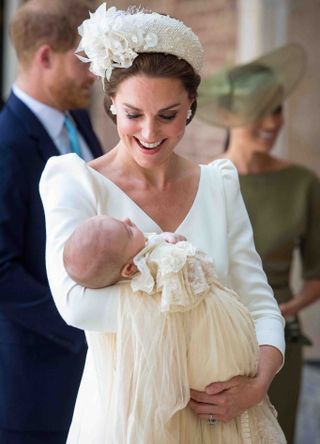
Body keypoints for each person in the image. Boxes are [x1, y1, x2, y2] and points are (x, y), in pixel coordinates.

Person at [40, 3, 286, 443]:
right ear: (111, 102)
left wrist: (257, 385)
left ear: (191, 105)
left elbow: (261, 304)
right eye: (133, 114)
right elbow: (73, 303)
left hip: (224, 421)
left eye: (168, 115)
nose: (150, 133)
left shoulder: (219, 184)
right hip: (124, 422)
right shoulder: (75, 182)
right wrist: (198, 302)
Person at [62, 214, 286, 442]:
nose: (129, 219)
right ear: (129, 269)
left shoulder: (136, 251)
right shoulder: (147, 273)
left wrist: (167, 239)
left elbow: (261, 305)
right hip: (189, 392)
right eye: (127, 231)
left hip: (232, 392)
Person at [197, 43, 320, 443]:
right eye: (259, 109)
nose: (272, 122)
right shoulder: (202, 183)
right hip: (211, 341)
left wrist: (288, 308)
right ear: (229, 115)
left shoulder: (303, 184)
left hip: (279, 342)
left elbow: (318, 272)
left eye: (278, 108)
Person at [0, 1, 104, 443]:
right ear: (45, 56)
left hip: (94, 375)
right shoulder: (6, 145)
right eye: (83, 59)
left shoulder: (79, 119)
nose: (94, 74)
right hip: (37, 380)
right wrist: (86, 327)